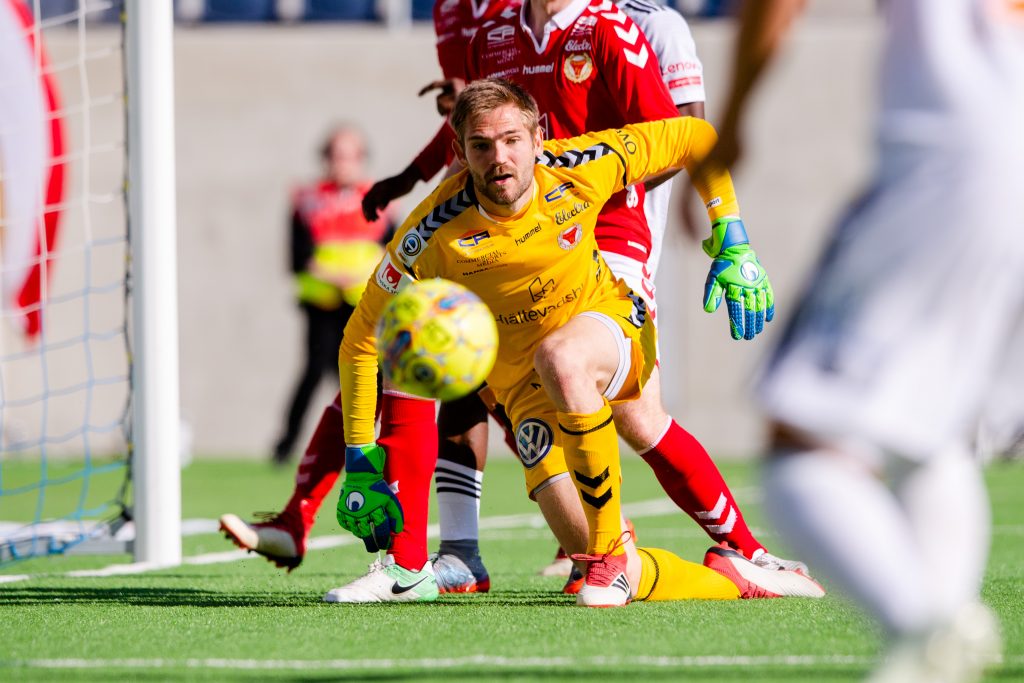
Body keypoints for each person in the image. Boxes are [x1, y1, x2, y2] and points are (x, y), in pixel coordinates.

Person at [363, 0, 804, 595]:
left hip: (606, 237)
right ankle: (453, 556)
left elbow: (675, 134)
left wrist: (720, 229)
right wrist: (416, 184)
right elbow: (476, 138)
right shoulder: (491, 34)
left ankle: (744, 552)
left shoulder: (611, 29)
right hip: (507, 245)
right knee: (445, 354)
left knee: (621, 403)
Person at [695, 0, 1022, 678]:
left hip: (956, 154)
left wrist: (730, 127)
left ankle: (928, 626)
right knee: (934, 427)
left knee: (800, 448)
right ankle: (931, 652)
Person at [270, 126, 395, 465]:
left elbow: (393, 250)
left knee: (375, 375)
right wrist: (331, 275)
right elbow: (297, 258)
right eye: (335, 154)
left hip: (365, 304)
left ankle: (375, 442)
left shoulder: (379, 197)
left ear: (361, 159)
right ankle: (285, 446)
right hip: (323, 303)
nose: (342, 162)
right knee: (314, 372)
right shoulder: (307, 200)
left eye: (349, 155)